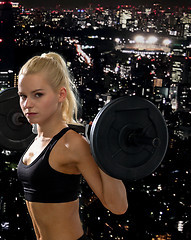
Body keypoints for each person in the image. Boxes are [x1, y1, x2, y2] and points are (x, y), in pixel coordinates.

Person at [16, 52, 128, 240]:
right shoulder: (37, 139)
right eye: (22, 96)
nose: (27, 104)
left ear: (61, 95)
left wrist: (105, 149)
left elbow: (118, 206)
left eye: (38, 95)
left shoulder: (72, 143)